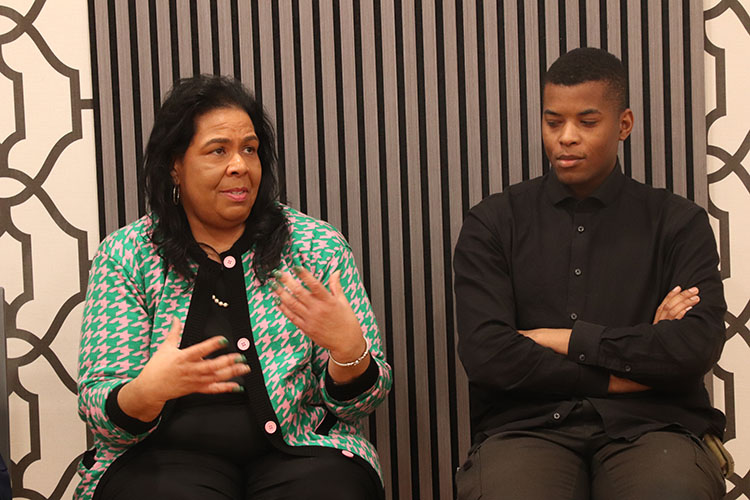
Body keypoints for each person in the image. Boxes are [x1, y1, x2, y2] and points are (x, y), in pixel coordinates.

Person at [76, 75, 392, 500]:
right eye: (218, 150)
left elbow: (360, 404)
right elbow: (97, 407)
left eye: (249, 149)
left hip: (303, 453)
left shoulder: (314, 247)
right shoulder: (127, 255)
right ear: (175, 163)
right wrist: (147, 392)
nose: (239, 165)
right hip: (158, 456)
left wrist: (349, 352)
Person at [453, 48, 728, 500]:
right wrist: (628, 365)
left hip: (654, 426)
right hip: (527, 428)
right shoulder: (494, 222)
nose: (566, 137)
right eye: (553, 121)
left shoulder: (678, 223)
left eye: (586, 121)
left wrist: (564, 339)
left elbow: (693, 347)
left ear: (623, 124)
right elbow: (489, 355)